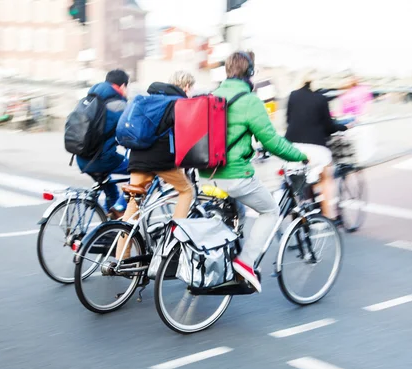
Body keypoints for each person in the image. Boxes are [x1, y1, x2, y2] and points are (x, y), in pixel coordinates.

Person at [200, 51, 308, 293]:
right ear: (249, 73)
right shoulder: (249, 101)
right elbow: (271, 141)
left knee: (234, 213)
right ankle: (245, 263)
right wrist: (299, 155)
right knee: (270, 210)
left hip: (206, 174)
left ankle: (225, 258)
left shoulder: (211, 96)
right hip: (234, 175)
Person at [121, 72, 196, 224]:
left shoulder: (150, 99)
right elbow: (185, 139)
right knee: (187, 191)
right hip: (160, 161)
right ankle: (176, 236)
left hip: (137, 158)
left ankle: (123, 245)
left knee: (133, 205)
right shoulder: (180, 103)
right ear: (187, 87)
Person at [285, 70, 349, 221]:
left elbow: (288, 121)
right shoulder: (320, 98)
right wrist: (342, 127)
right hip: (316, 147)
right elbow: (328, 126)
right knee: (326, 176)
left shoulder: (293, 96)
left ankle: (302, 215)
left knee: (302, 177)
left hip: (292, 146)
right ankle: (329, 216)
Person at [76, 69, 130, 218]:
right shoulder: (118, 104)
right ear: (123, 86)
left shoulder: (91, 98)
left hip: (82, 158)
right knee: (140, 170)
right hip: (101, 159)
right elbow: (128, 132)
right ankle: (120, 207)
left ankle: (109, 231)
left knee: (110, 189)